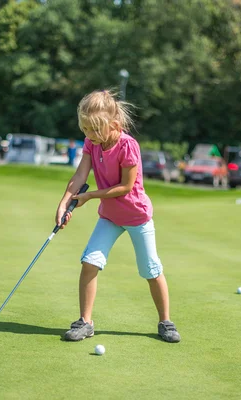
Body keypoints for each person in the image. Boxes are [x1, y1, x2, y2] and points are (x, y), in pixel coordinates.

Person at [56, 90, 181, 343]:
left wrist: (90, 197)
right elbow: (80, 176)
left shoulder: (128, 146)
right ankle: (85, 322)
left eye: (93, 129)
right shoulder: (92, 143)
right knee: (89, 261)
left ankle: (165, 321)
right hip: (110, 217)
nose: (88, 135)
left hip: (137, 216)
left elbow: (125, 186)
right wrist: (63, 204)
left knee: (151, 269)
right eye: (85, 129)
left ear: (113, 125)